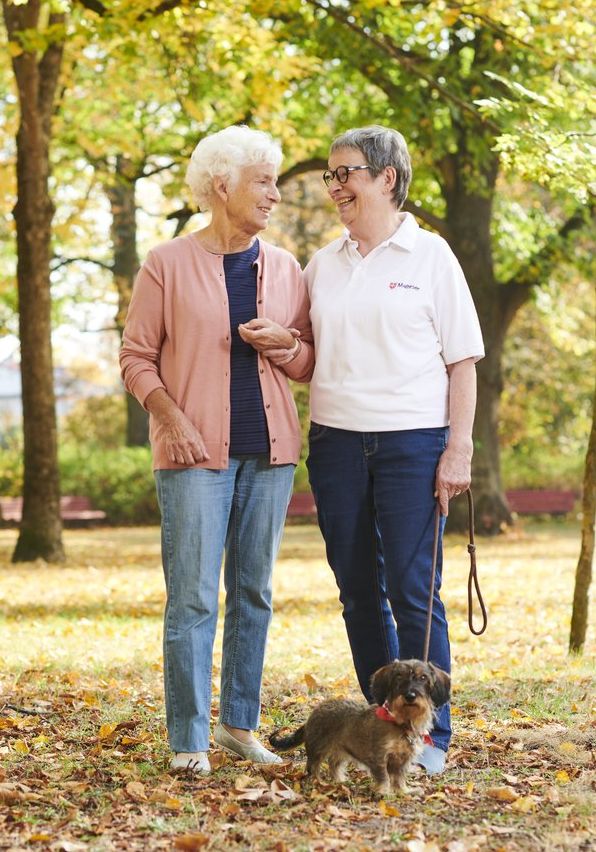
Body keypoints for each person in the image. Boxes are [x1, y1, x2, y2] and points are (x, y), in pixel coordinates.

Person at [120, 125, 314, 774]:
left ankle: (238, 724)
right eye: (264, 181)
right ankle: (187, 739)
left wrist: (285, 346)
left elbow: (309, 360)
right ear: (222, 185)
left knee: (254, 592)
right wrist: (169, 418)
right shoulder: (166, 263)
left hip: (271, 454)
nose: (275, 195)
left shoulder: (285, 268)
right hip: (193, 454)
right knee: (195, 597)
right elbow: (136, 358)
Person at [304, 126, 484, 775]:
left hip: (413, 442)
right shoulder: (322, 264)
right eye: (330, 176)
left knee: (415, 591)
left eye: (345, 172)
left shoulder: (432, 257)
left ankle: (431, 739)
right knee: (357, 590)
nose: (335, 187)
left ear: (387, 177)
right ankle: (382, 729)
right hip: (335, 443)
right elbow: (307, 355)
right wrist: (280, 344)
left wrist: (457, 447)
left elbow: (463, 362)